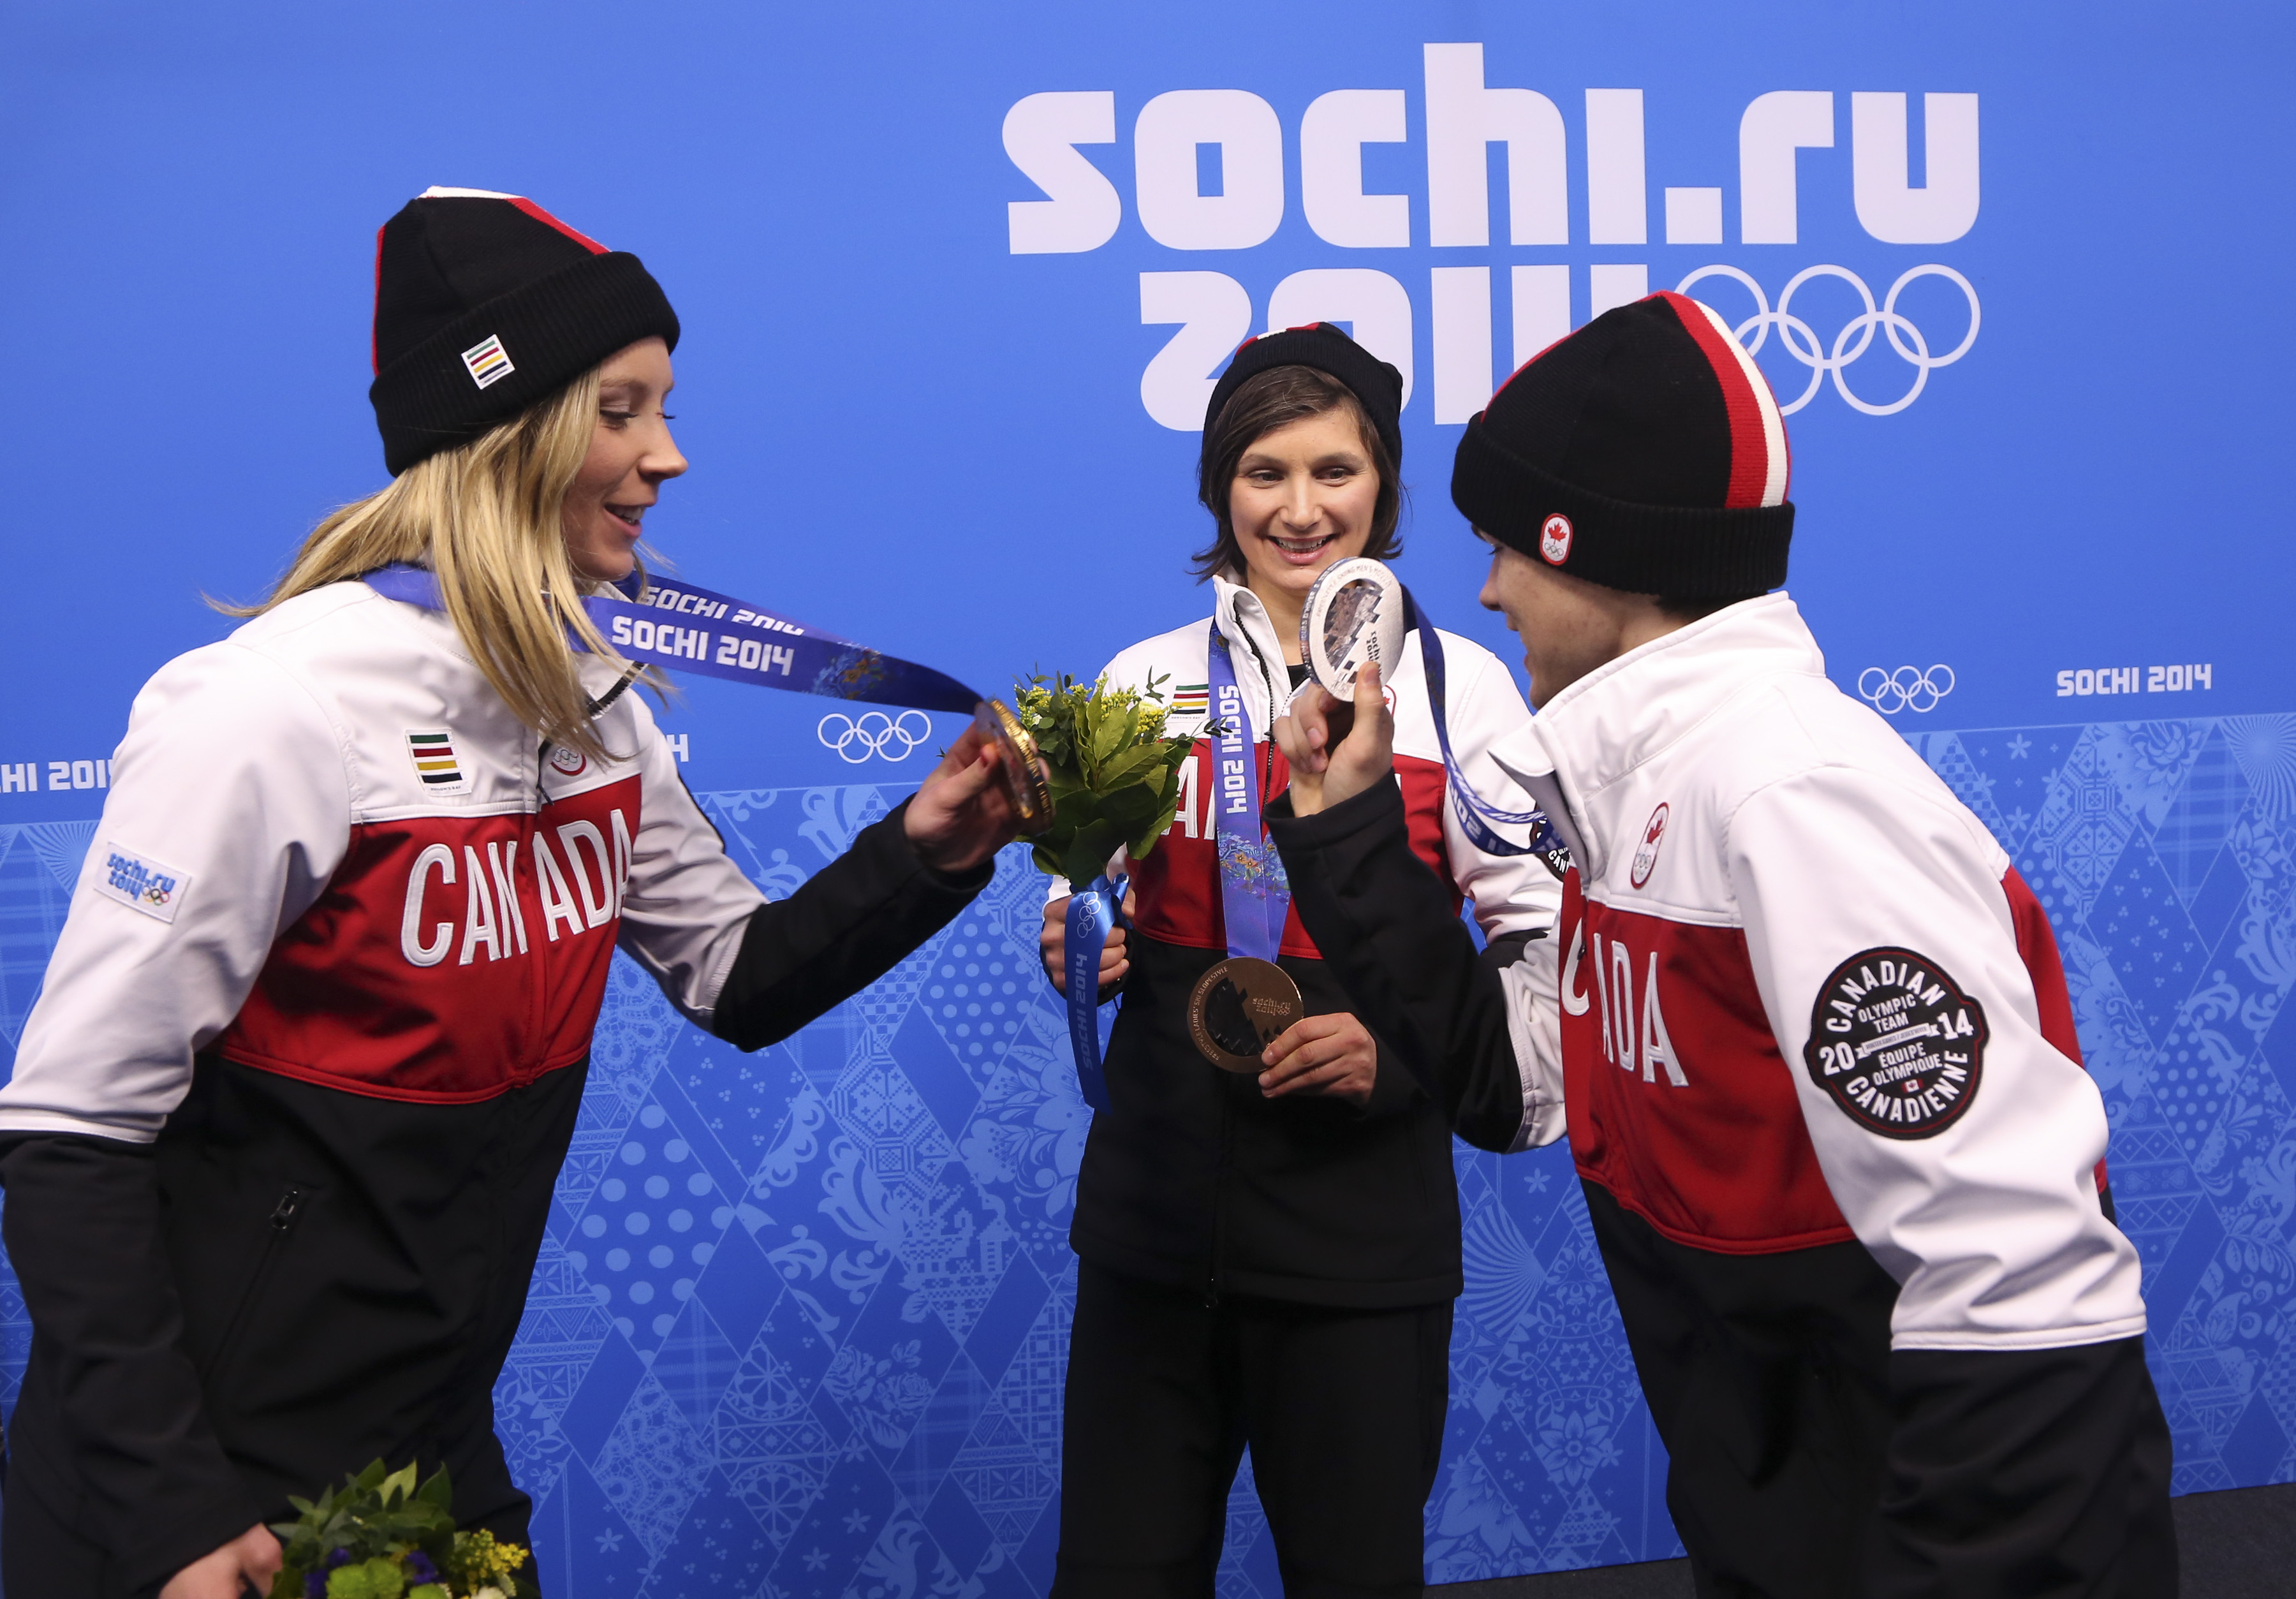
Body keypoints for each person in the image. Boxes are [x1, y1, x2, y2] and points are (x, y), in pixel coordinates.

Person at [0, 188, 1025, 1599]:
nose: (666, 455)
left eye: (662, 406)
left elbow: (738, 973)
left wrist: (929, 849)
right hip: (204, 1487)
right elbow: (70, 1131)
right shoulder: (274, 705)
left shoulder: (589, 700)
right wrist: (171, 1507)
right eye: (621, 409)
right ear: (508, 429)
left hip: (432, 1462)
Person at [1266, 291, 2177, 1596]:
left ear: (1596, 549)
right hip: (1782, 1522)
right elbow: (1514, 1085)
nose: (1488, 587)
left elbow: (2025, 1285)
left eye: (1509, 545)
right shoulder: (1636, 785)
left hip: (1919, 1542)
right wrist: (1351, 832)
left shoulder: (1790, 796)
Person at [1036, 324, 1561, 1597]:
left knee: (1354, 1576)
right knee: (1118, 1576)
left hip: (1360, 1244)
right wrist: (1075, 937)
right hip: (1154, 1231)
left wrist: (1394, 1057)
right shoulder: (1146, 679)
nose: (1301, 507)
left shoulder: (1463, 689)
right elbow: (1090, 892)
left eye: (1335, 470)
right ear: (1223, 488)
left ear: (1382, 482)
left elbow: (1542, 957)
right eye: (1264, 471)